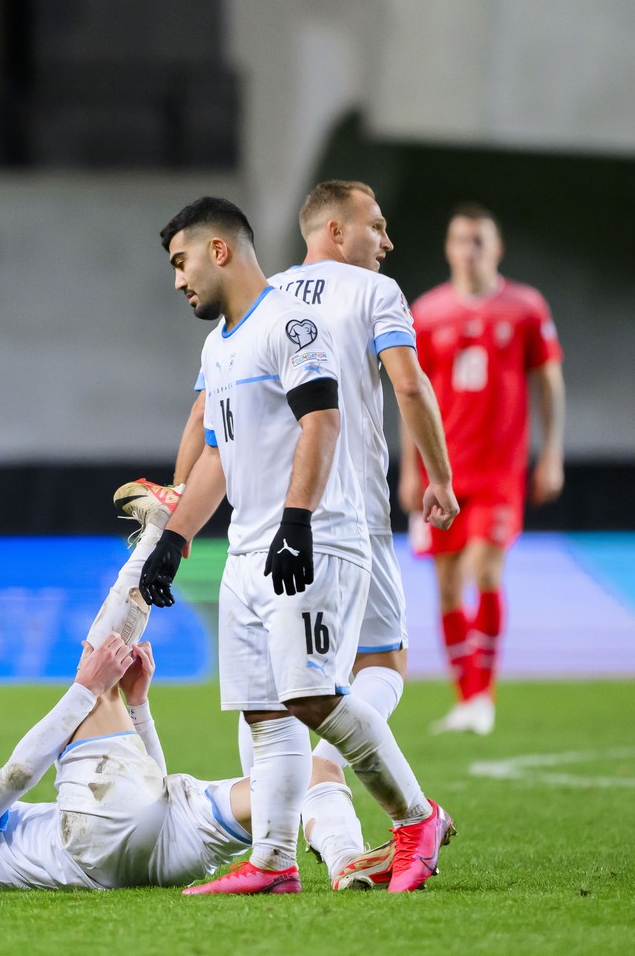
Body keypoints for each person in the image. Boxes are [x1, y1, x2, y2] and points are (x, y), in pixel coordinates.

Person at [137, 197, 453, 895]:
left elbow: (322, 420)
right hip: (247, 547)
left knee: (310, 695)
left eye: (181, 262)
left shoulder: (290, 320)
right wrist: (177, 536)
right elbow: (219, 453)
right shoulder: (218, 345)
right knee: (264, 710)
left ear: (219, 250)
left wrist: (298, 520)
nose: (179, 280)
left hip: (311, 535)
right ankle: (274, 862)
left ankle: (416, 816)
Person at [0, 483, 330, 893]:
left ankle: (341, 851)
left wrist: (139, 706)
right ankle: (160, 531)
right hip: (94, 835)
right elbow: (18, 773)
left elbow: (150, 792)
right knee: (99, 664)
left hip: (151, 858)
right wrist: (87, 688)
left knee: (287, 780)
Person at [403, 203, 564, 735]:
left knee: (483, 570)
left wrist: (553, 451)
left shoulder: (524, 307)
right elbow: (412, 396)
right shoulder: (426, 312)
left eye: (478, 240)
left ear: (496, 248)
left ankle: (484, 697)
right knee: (447, 586)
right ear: (448, 248)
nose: (468, 250)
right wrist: (410, 469)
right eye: (459, 240)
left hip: (499, 473)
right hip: (443, 471)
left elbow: (548, 381)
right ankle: (466, 699)